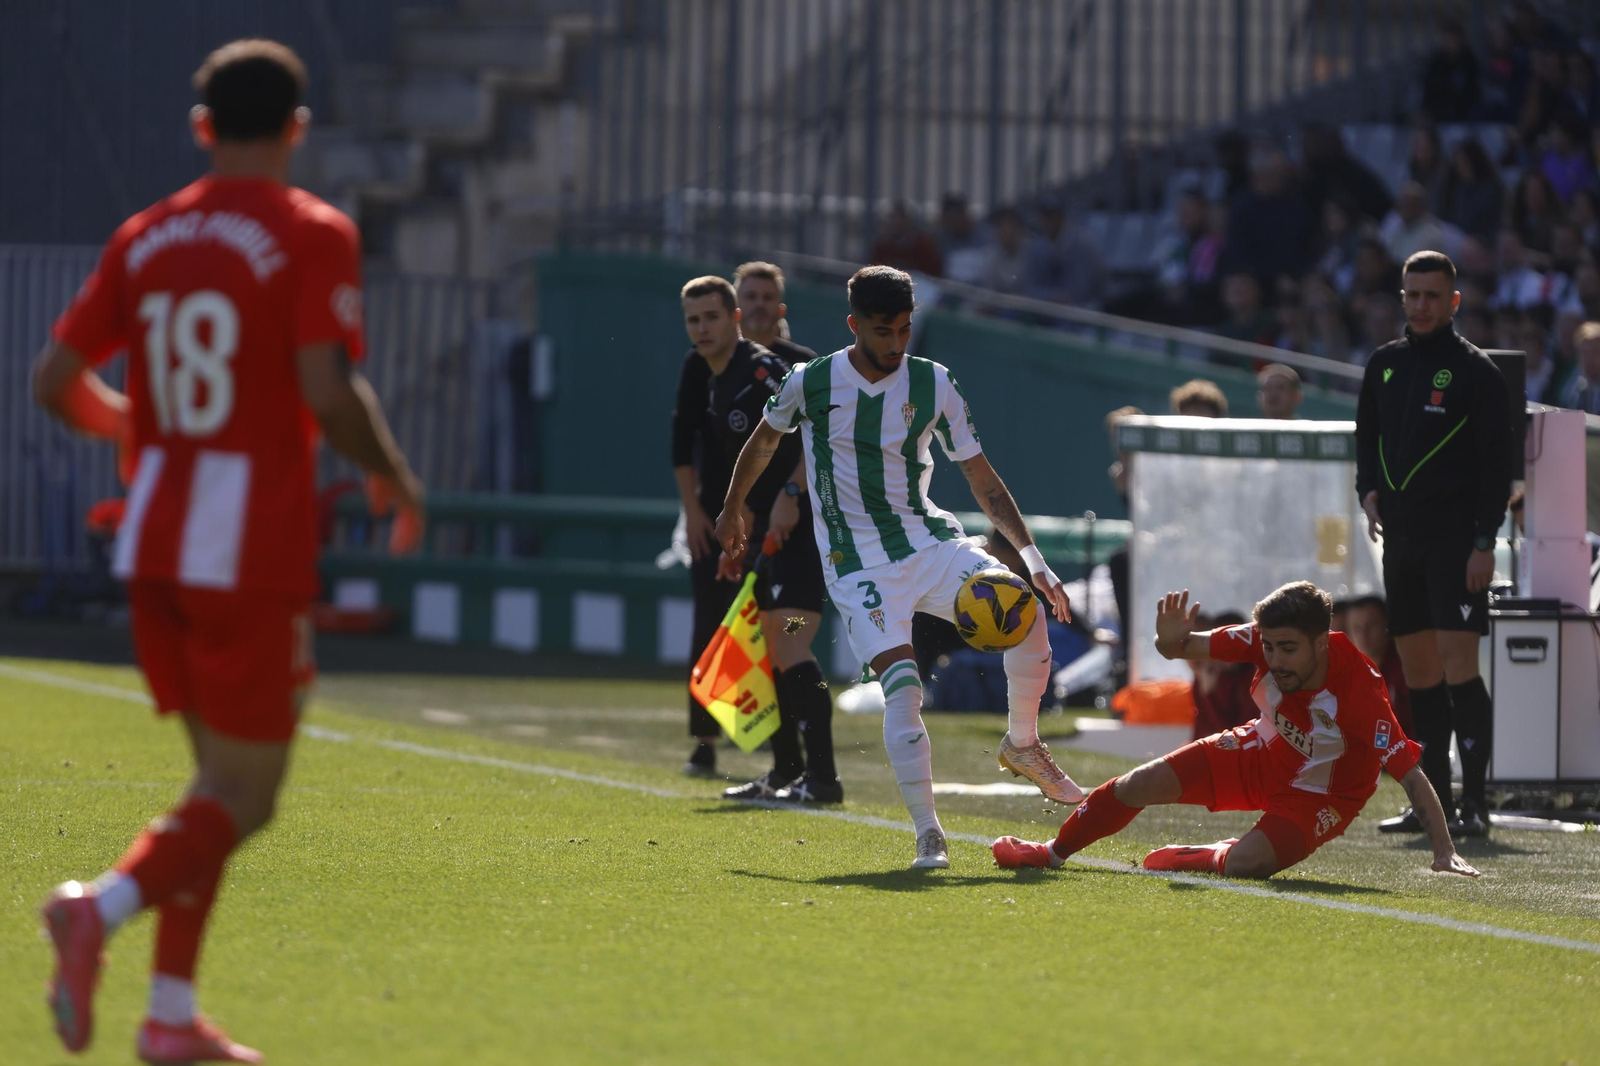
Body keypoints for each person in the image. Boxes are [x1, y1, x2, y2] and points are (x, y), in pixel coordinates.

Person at [31, 39, 425, 1063]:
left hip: (155, 537)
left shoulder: (147, 232)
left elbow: (54, 381)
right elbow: (329, 391)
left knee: (214, 792)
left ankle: (169, 1016)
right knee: (247, 797)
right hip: (245, 545)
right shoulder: (309, 230)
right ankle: (98, 909)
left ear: (201, 127)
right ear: (298, 128)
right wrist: (392, 472)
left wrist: (145, 432)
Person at [713, 265, 1080, 869]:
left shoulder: (935, 383)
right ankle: (928, 832)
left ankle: (1023, 744)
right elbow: (764, 440)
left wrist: (1034, 560)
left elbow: (981, 477)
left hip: (930, 540)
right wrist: (733, 509)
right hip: (857, 563)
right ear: (855, 325)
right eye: (883, 332)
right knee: (904, 689)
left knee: (1024, 609)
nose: (895, 345)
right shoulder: (813, 380)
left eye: (905, 331)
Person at [991, 585, 1480, 880]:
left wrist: (1445, 851)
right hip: (1257, 749)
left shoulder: (1362, 693)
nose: (1274, 659)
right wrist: (1168, 638)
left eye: (1287, 649)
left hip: (1320, 796)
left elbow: (1412, 777)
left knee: (1249, 865)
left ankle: (1207, 855)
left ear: (1320, 642)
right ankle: (1051, 854)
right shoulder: (1260, 641)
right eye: (1268, 646)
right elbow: (1182, 647)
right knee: (1136, 785)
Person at [1356, 250, 1513, 839]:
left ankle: (1475, 803)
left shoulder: (1477, 373)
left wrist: (1483, 542)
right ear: (1402, 298)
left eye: (1432, 296)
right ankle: (1434, 803)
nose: (1420, 305)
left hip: (1456, 544)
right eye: (1411, 295)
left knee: (1458, 668)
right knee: (1418, 674)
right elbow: (1366, 437)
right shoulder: (1384, 363)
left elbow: (1498, 468)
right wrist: (1367, 491)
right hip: (1402, 544)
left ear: (1453, 302)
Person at [720, 262, 840, 803]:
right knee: (769, 647)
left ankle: (824, 778)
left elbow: (822, 442)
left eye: (771, 296)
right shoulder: (727, 371)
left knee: (792, 639)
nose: (762, 305)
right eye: (752, 296)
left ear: (782, 308)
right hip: (761, 535)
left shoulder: (803, 366)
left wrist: (793, 496)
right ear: (738, 309)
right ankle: (786, 771)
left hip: (803, 530)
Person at [671, 275, 799, 780]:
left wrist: (789, 498)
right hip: (735, 522)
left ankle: (802, 761)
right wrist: (720, 514)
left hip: (782, 521)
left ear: (736, 319)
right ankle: (754, 751)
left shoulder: (768, 370)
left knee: (785, 631)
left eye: (711, 317)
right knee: (723, 626)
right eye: (692, 320)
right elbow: (684, 445)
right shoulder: (710, 373)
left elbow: (813, 437)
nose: (701, 329)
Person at [1342, 595, 1414, 737]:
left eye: (1371, 626)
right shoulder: (1345, 676)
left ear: (1386, 626)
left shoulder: (1408, 669)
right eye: (1357, 628)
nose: (1363, 635)